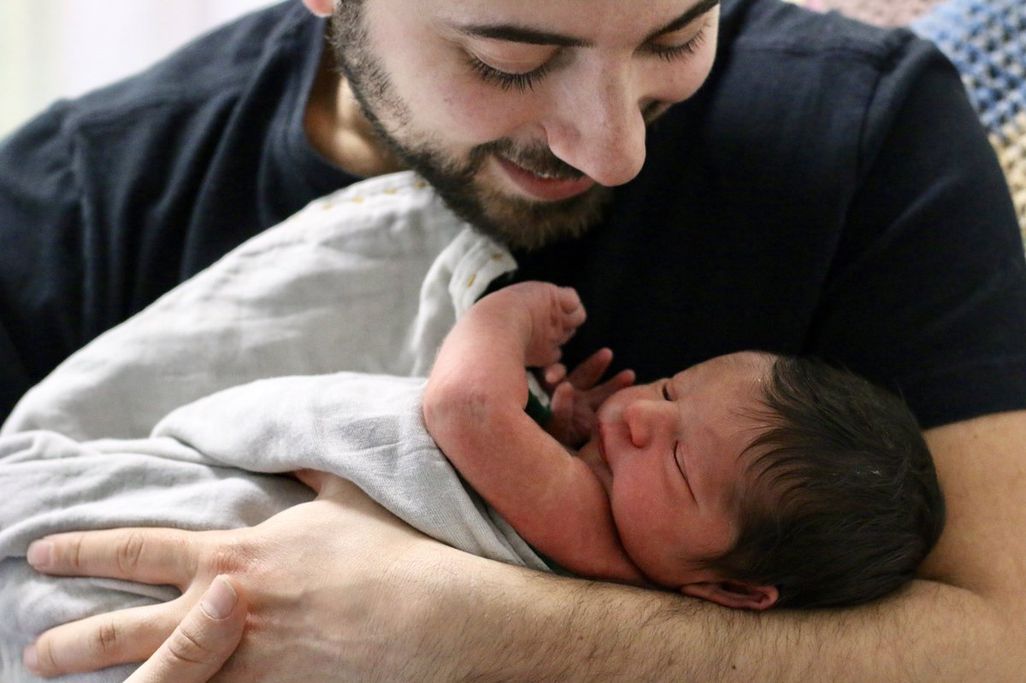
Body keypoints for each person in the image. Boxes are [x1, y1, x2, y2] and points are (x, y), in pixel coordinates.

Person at [4, 0, 1026, 679]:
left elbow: (999, 645)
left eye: (676, 37)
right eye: (511, 60)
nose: (615, 148)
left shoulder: (863, 132)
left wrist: (447, 620)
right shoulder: (75, 206)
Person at [424, 280, 944, 609]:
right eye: (671, 389)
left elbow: (465, 406)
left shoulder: (594, 540)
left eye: (678, 460)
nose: (641, 413)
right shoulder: (618, 524)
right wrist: (556, 441)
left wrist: (506, 318)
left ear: (731, 589)